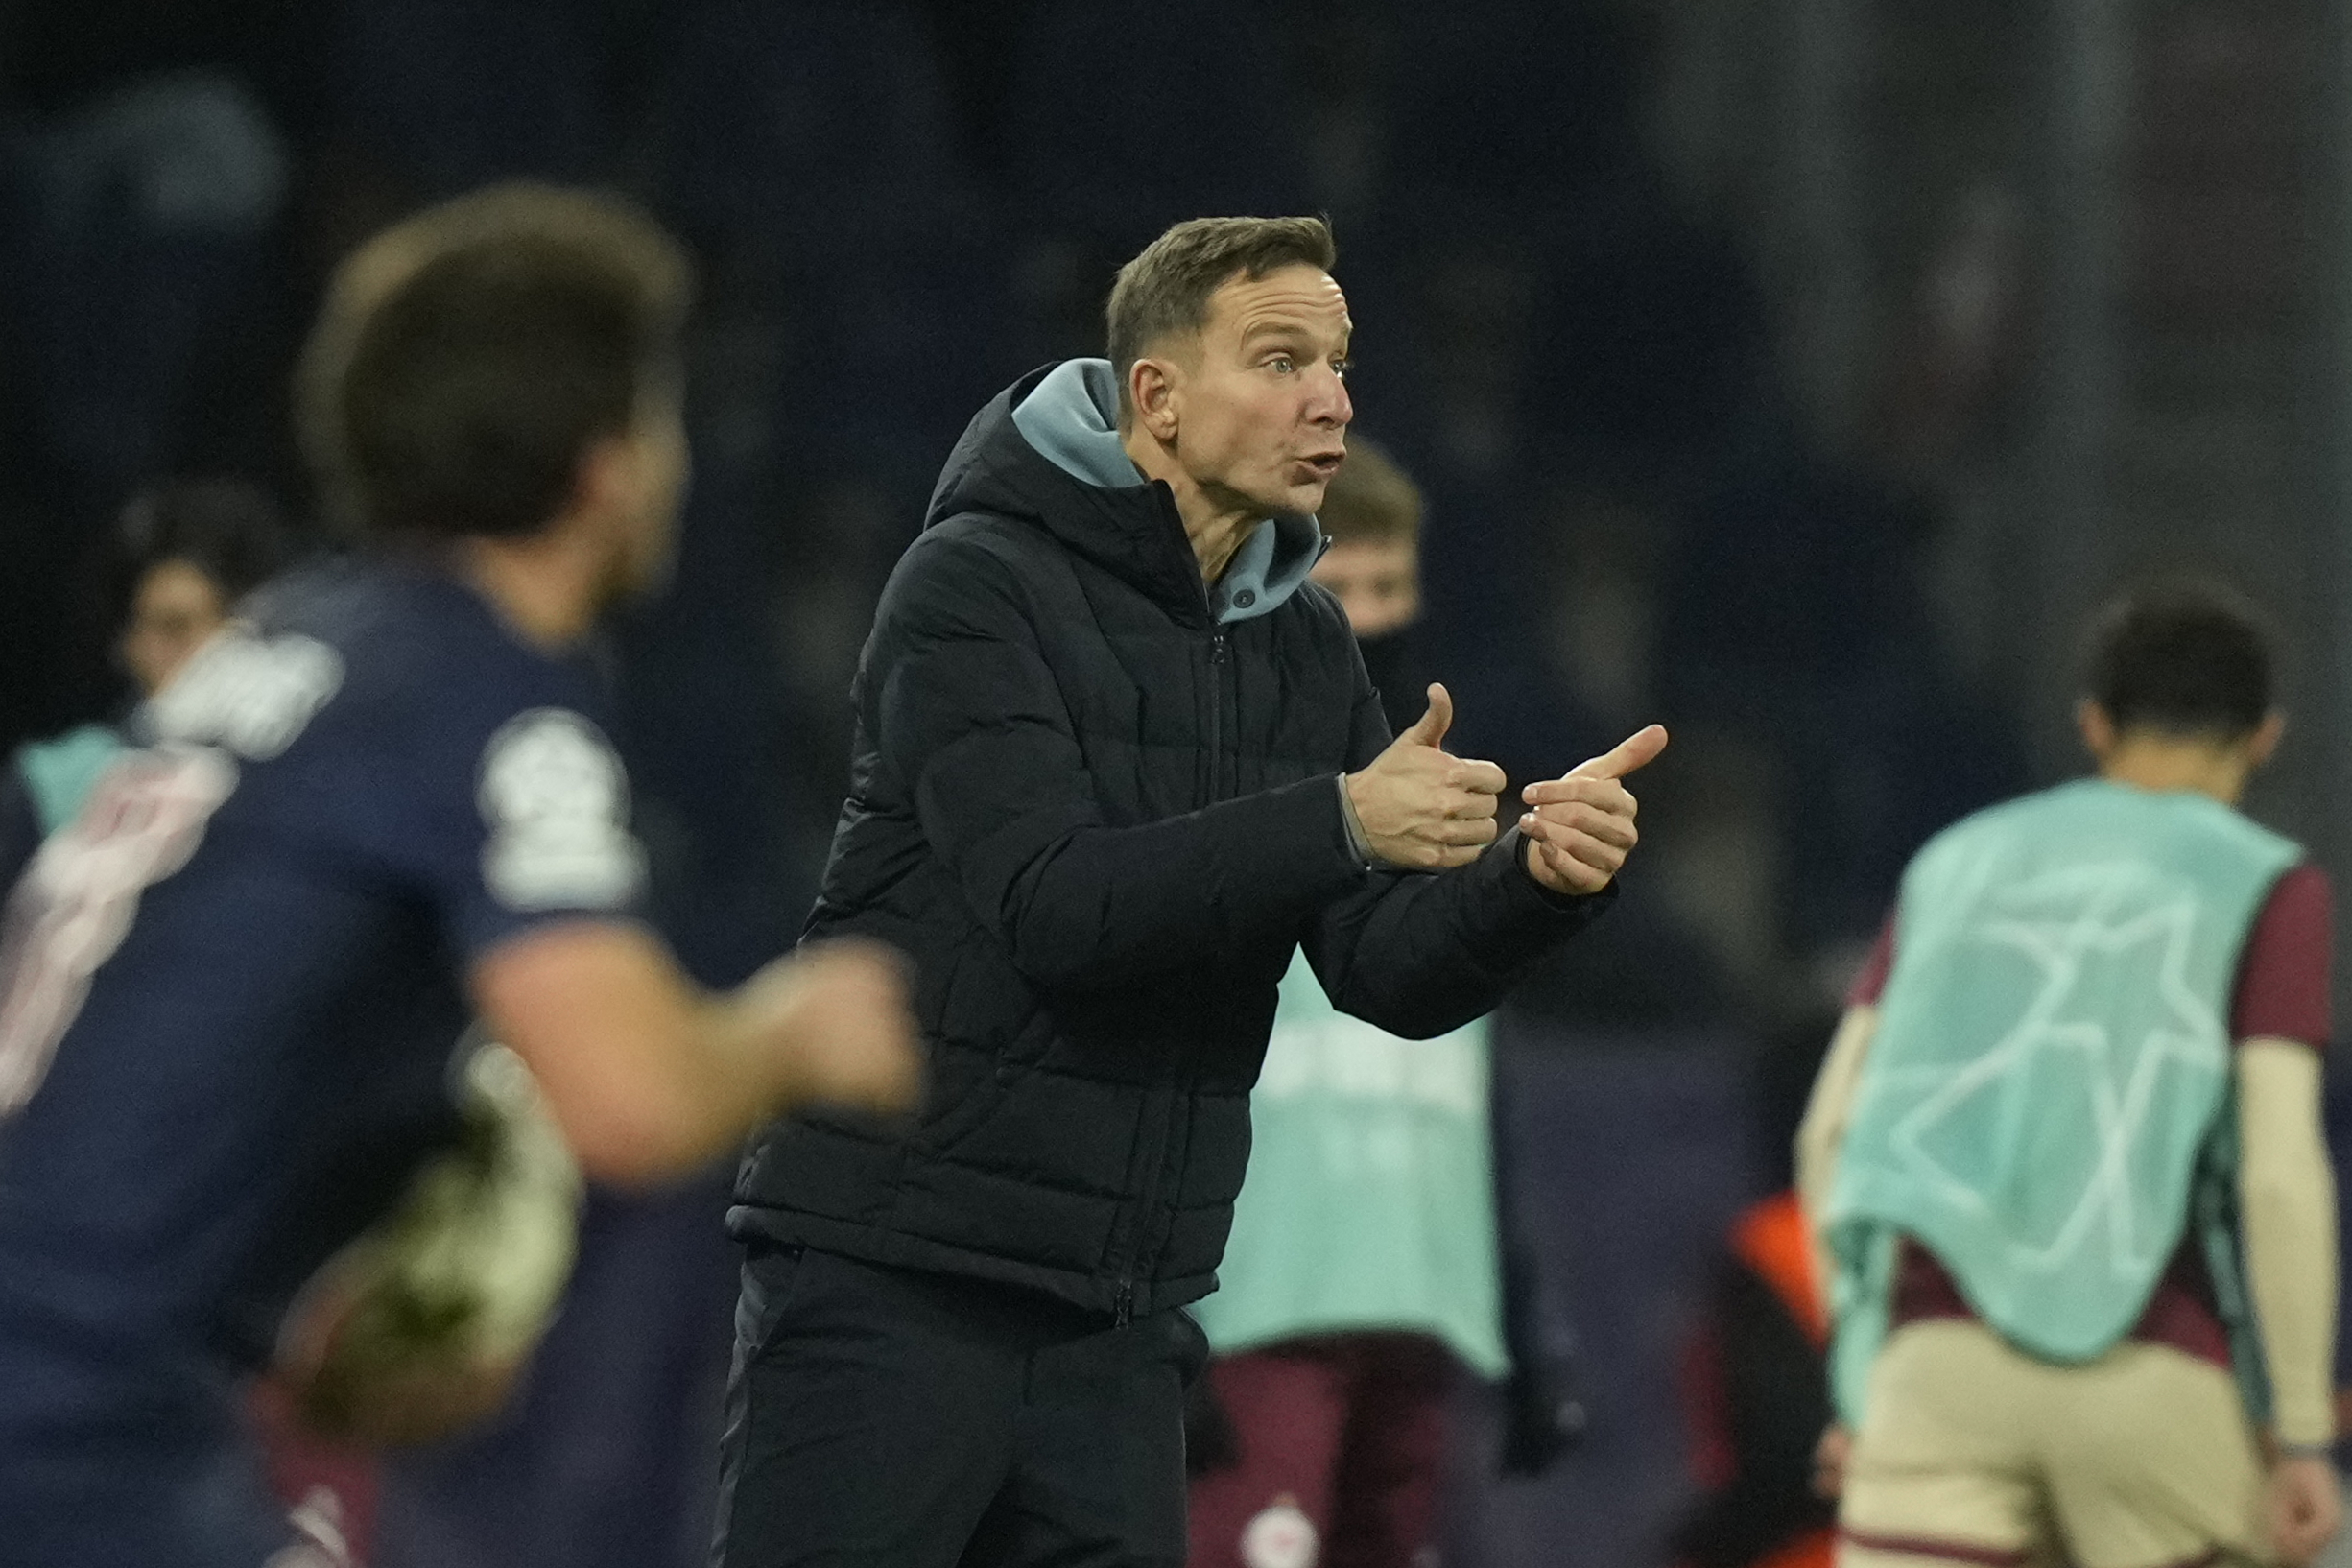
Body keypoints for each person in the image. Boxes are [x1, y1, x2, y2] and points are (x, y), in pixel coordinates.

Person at [716, 214, 1668, 1568]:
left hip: (1119, 1322)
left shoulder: (1298, 636)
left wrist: (1532, 879)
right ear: (1155, 397)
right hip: (898, 1278)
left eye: (1336, 364)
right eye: (1279, 360)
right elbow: (1055, 905)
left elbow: (1380, 974)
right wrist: (1338, 817)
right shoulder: (974, 585)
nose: (1328, 398)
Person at [0, 183, 921, 1568]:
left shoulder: (293, 650)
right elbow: (632, 1100)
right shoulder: (480, 694)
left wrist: (314, 1324)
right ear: (607, 462)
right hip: (72, 1427)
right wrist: (798, 1028)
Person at [1798, 582, 2340, 1568]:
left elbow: (1830, 1129)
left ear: (2093, 723)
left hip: (1936, 1365)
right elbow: (2276, 1169)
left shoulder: (1951, 864)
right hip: (2149, 1366)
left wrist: (1860, 1378)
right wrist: (2301, 1430)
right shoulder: (2268, 883)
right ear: (2264, 738)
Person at [1183, 437, 1582, 1568]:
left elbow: (1478, 1089)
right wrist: (1158, 1316)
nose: (1366, 617)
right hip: (1259, 1293)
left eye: (1389, 588)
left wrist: (1529, 1325)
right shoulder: (1219, 784)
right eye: (1338, 587)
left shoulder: (1454, 804)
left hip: (1420, 1284)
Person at [0, 479, 296, 887]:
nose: (215, 651)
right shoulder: (51, 790)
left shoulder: (319, 747)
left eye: (235, 625)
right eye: (173, 626)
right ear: (129, 646)